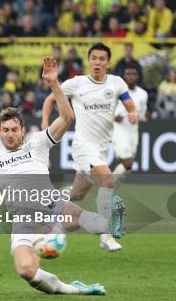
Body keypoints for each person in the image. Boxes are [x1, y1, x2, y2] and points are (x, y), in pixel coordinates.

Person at [0, 57, 125, 295]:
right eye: (5, 130)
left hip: (51, 204)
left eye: (14, 130)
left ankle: (111, 225)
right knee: (26, 271)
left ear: (23, 130)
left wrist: (55, 84)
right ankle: (74, 289)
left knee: (77, 216)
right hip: (22, 219)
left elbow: (67, 118)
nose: (10, 135)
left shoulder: (37, 143)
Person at [41, 43, 138, 252]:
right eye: (94, 58)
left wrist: (133, 112)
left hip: (102, 149)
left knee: (77, 195)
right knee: (108, 180)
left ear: (108, 63)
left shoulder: (116, 83)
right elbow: (50, 100)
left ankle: (54, 210)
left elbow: (129, 102)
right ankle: (106, 234)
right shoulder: (76, 84)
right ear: (88, 60)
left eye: (102, 59)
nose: (97, 62)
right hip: (83, 147)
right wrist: (44, 126)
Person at [112, 66, 149, 187]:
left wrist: (147, 115)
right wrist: (115, 116)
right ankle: (105, 189)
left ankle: (108, 191)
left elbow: (143, 115)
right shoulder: (117, 92)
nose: (130, 76)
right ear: (124, 76)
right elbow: (109, 111)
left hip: (133, 133)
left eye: (133, 74)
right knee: (127, 163)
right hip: (119, 131)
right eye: (128, 74)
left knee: (127, 168)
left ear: (137, 76)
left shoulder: (143, 94)